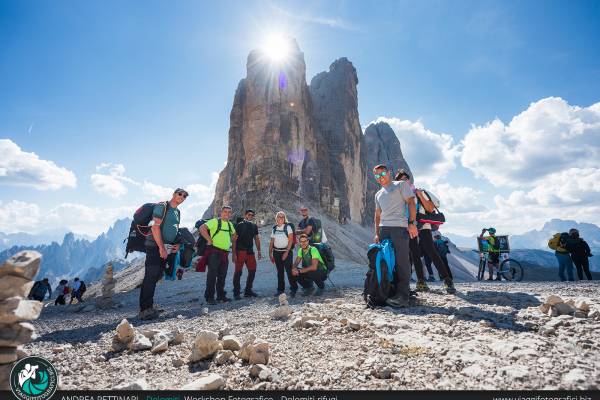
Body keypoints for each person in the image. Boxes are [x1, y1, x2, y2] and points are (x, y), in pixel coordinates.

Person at [395, 170, 456, 293]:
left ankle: (447, 280)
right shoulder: (399, 196)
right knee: (414, 254)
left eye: (406, 179)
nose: (404, 181)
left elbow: (430, 208)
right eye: (401, 180)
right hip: (409, 227)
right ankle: (421, 282)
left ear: (409, 180)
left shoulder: (419, 192)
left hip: (424, 226)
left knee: (432, 252)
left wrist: (420, 195)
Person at [373, 164, 418, 308]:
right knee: (387, 261)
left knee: (402, 261)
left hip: (399, 227)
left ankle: (403, 296)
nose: (380, 177)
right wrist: (376, 233)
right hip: (384, 229)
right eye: (377, 175)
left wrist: (411, 222)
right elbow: (377, 215)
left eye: (382, 174)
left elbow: (411, 202)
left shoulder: (401, 185)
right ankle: (391, 291)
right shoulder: (378, 194)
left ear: (389, 172)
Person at [139, 188, 187, 320]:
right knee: (151, 275)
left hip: (166, 247)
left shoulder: (177, 211)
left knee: (157, 275)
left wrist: (177, 245)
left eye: (184, 196)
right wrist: (161, 247)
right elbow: (155, 227)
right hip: (155, 246)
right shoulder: (162, 206)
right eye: (180, 194)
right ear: (173, 194)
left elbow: (174, 230)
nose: (182, 197)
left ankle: (149, 306)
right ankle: (144, 310)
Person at [199, 205, 237, 305]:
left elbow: (234, 236)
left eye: (229, 212)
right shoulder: (215, 221)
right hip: (214, 252)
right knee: (212, 275)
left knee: (222, 275)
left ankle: (221, 296)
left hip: (225, 253)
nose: (227, 214)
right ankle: (209, 297)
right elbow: (202, 228)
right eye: (225, 212)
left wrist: (233, 250)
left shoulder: (230, 225)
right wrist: (209, 240)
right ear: (221, 212)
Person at [233, 209, 262, 299]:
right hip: (240, 251)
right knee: (238, 272)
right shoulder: (239, 225)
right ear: (245, 215)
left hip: (250, 252)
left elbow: (256, 238)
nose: (251, 216)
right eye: (249, 215)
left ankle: (248, 291)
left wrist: (259, 251)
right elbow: (234, 240)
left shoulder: (254, 226)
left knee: (252, 270)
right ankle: (236, 293)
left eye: (252, 215)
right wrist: (234, 253)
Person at [269, 211, 297, 297]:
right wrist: (270, 253)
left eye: (282, 217)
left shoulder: (287, 227)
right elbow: (272, 241)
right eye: (279, 217)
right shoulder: (274, 228)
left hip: (286, 252)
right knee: (280, 272)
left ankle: (293, 288)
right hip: (276, 252)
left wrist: (287, 252)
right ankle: (280, 290)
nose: (280, 218)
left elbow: (291, 240)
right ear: (276, 218)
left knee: (289, 271)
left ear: (284, 218)